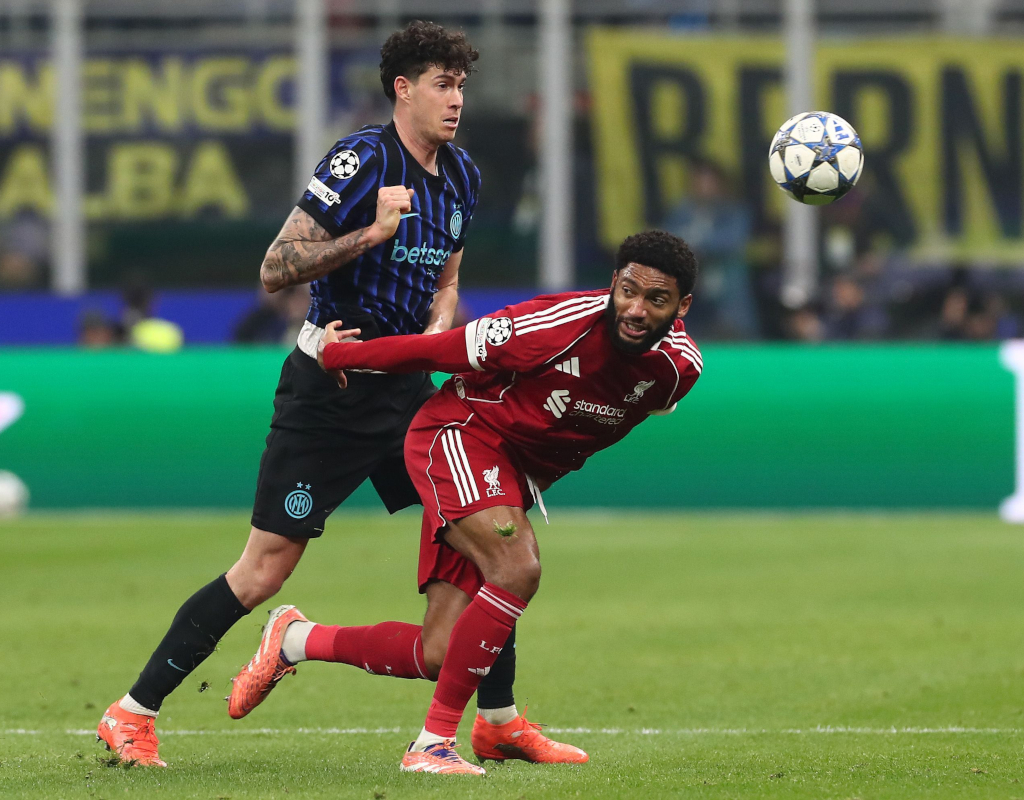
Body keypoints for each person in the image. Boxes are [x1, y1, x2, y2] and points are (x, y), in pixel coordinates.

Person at [97, 21, 580, 767]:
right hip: (330, 392)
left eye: (462, 86)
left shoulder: (463, 176)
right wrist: (369, 234)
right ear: (404, 88)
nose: (456, 100)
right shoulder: (360, 159)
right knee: (263, 569)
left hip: (410, 397)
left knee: (491, 535)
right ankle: (132, 712)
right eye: (444, 85)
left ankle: (500, 720)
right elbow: (275, 267)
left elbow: (446, 281)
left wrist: (438, 335)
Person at [229, 230, 701, 774]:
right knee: (516, 565)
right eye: (628, 291)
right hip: (457, 434)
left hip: (508, 475)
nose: (636, 310)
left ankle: (295, 639)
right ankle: (432, 745)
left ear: (682, 306)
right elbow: (438, 349)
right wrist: (345, 355)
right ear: (613, 283)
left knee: (439, 652)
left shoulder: (677, 371)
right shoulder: (555, 325)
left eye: (657, 300)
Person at [663, 158, 755, 338]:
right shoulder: (681, 213)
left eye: (709, 181)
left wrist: (697, 247)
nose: (704, 187)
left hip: (727, 295)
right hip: (693, 298)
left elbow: (730, 241)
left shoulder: (734, 212)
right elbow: (667, 240)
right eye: (699, 181)